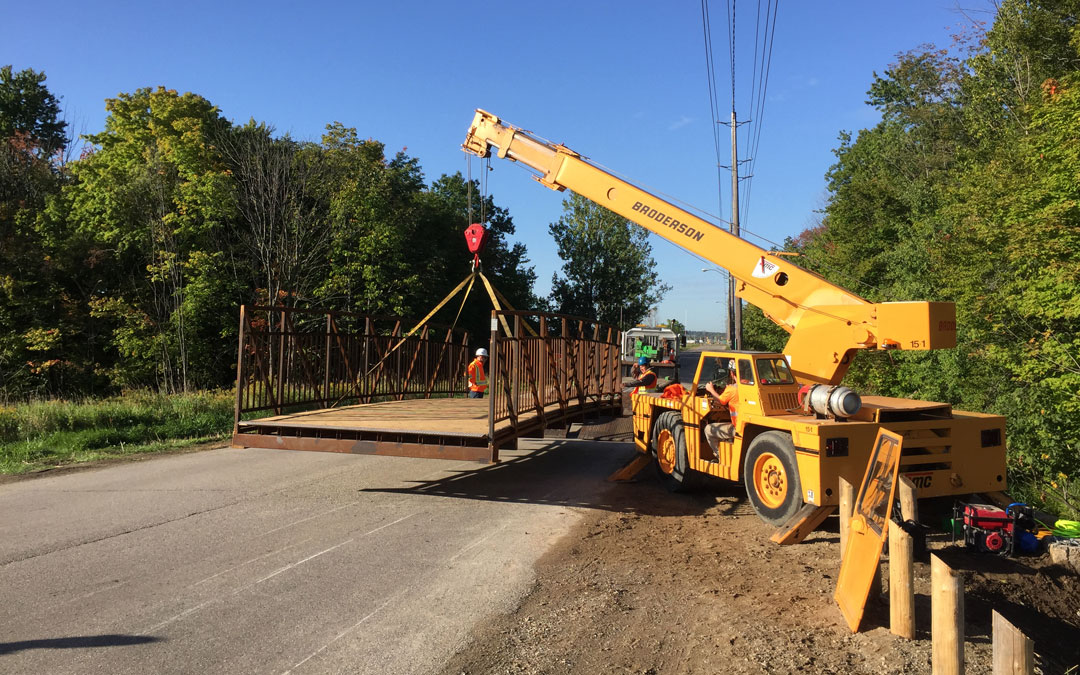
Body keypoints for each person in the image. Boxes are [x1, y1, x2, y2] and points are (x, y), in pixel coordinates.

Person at [704, 359, 740, 454]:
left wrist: (711, 389)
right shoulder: (750, 387)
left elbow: (721, 400)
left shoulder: (732, 389)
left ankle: (719, 455)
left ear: (732, 374)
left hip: (738, 428)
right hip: (745, 427)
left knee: (708, 429)